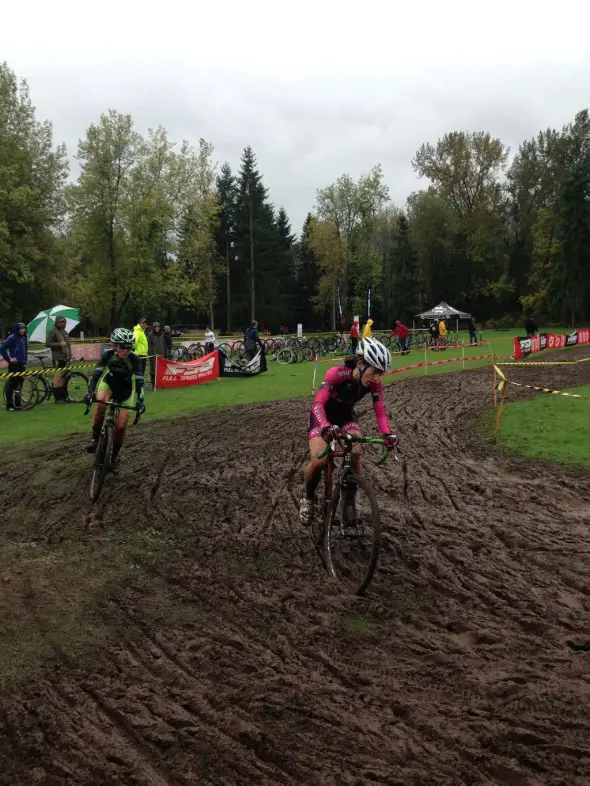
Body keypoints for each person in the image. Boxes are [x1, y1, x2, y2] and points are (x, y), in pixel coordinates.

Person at [299, 338, 398, 525]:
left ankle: (349, 503)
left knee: (356, 450)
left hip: (345, 417)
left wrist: (387, 434)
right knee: (319, 461)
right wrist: (325, 426)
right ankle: (308, 497)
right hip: (321, 417)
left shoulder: (375, 384)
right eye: (374, 371)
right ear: (360, 364)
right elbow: (318, 403)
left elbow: (380, 412)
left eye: (381, 373)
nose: (377, 378)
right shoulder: (336, 374)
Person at [84, 328, 145, 472]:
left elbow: (141, 383)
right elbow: (96, 375)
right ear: (114, 346)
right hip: (109, 384)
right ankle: (95, 438)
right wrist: (90, 392)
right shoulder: (107, 355)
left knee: (121, 426)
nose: (126, 350)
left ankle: (114, 457)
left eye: (129, 347)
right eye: (123, 347)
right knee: (100, 405)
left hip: (126, 391)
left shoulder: (135, 359)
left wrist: (141, 402)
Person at [0, 323, 28, 411]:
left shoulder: (23, 338)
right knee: (11, 384)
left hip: (21, 364)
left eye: (24, 328)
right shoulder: (12, 338)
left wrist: (24, 361)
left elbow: (25, 350)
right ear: (17, 329)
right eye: (21, 328)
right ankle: (9, 405)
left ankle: (18, 404)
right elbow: (2, 348)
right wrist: (9, 359)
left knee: (19, 384)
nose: (23, 330)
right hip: (14, 365)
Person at [46, 316, 72, 403]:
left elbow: (68, 345)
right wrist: (59, 344)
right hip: (57, 358)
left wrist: (70, 355)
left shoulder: (65, 332)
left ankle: (63, 397)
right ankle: (57, 399)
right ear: (56, 323)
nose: (62, 323)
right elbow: (47, 343)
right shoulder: (52, 331)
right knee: (57, 379)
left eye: (64, 322)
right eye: (60, 322)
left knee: (64, 379)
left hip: (66, 358)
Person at [147, 322, 166, 388]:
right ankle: (153, 385)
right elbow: (149, 346)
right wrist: (151, 355)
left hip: (162, 355)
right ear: (153, 328)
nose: (157, 328)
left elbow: (164, 344)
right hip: (154, 356)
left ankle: (161, 384)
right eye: (156, 327)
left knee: (161, 370)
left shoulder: (162, 334)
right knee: (153, 371)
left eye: (158, 327)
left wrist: (165, 354)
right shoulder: (150, 335)